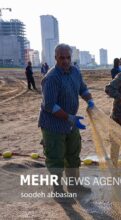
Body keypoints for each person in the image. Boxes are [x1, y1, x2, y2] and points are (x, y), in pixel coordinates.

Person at [38, 44, 94, 193]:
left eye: (68, 57)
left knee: (73, 155)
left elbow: (82, 88)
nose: (65, 61)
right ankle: (58, 190)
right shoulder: (51, 78)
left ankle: (74, 185)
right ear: (55, 58)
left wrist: (90, 100)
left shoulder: (75, 71)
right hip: (53, 126)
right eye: (61, 58)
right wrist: (69, 117)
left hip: (71, 124)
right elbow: (50, 106)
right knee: (55, 158)